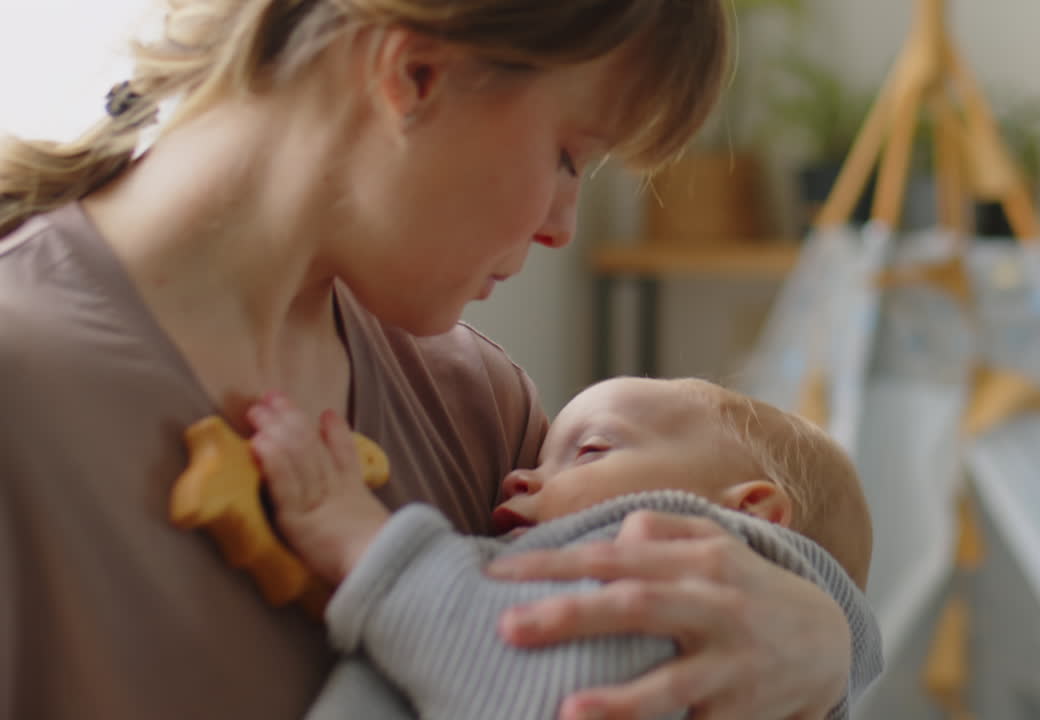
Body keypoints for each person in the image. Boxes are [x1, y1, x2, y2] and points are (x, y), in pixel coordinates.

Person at [0, 1, 864, 718]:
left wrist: (828, 644)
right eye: (569, 156)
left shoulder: (481, 409)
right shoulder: (24, 392)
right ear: (414, 74)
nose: (562, 229)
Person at [245, 376, 883, 718]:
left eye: (591, 450)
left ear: (746, 512)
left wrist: (366, 543)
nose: (519, 477)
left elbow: (542, 694)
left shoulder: (680, 580)